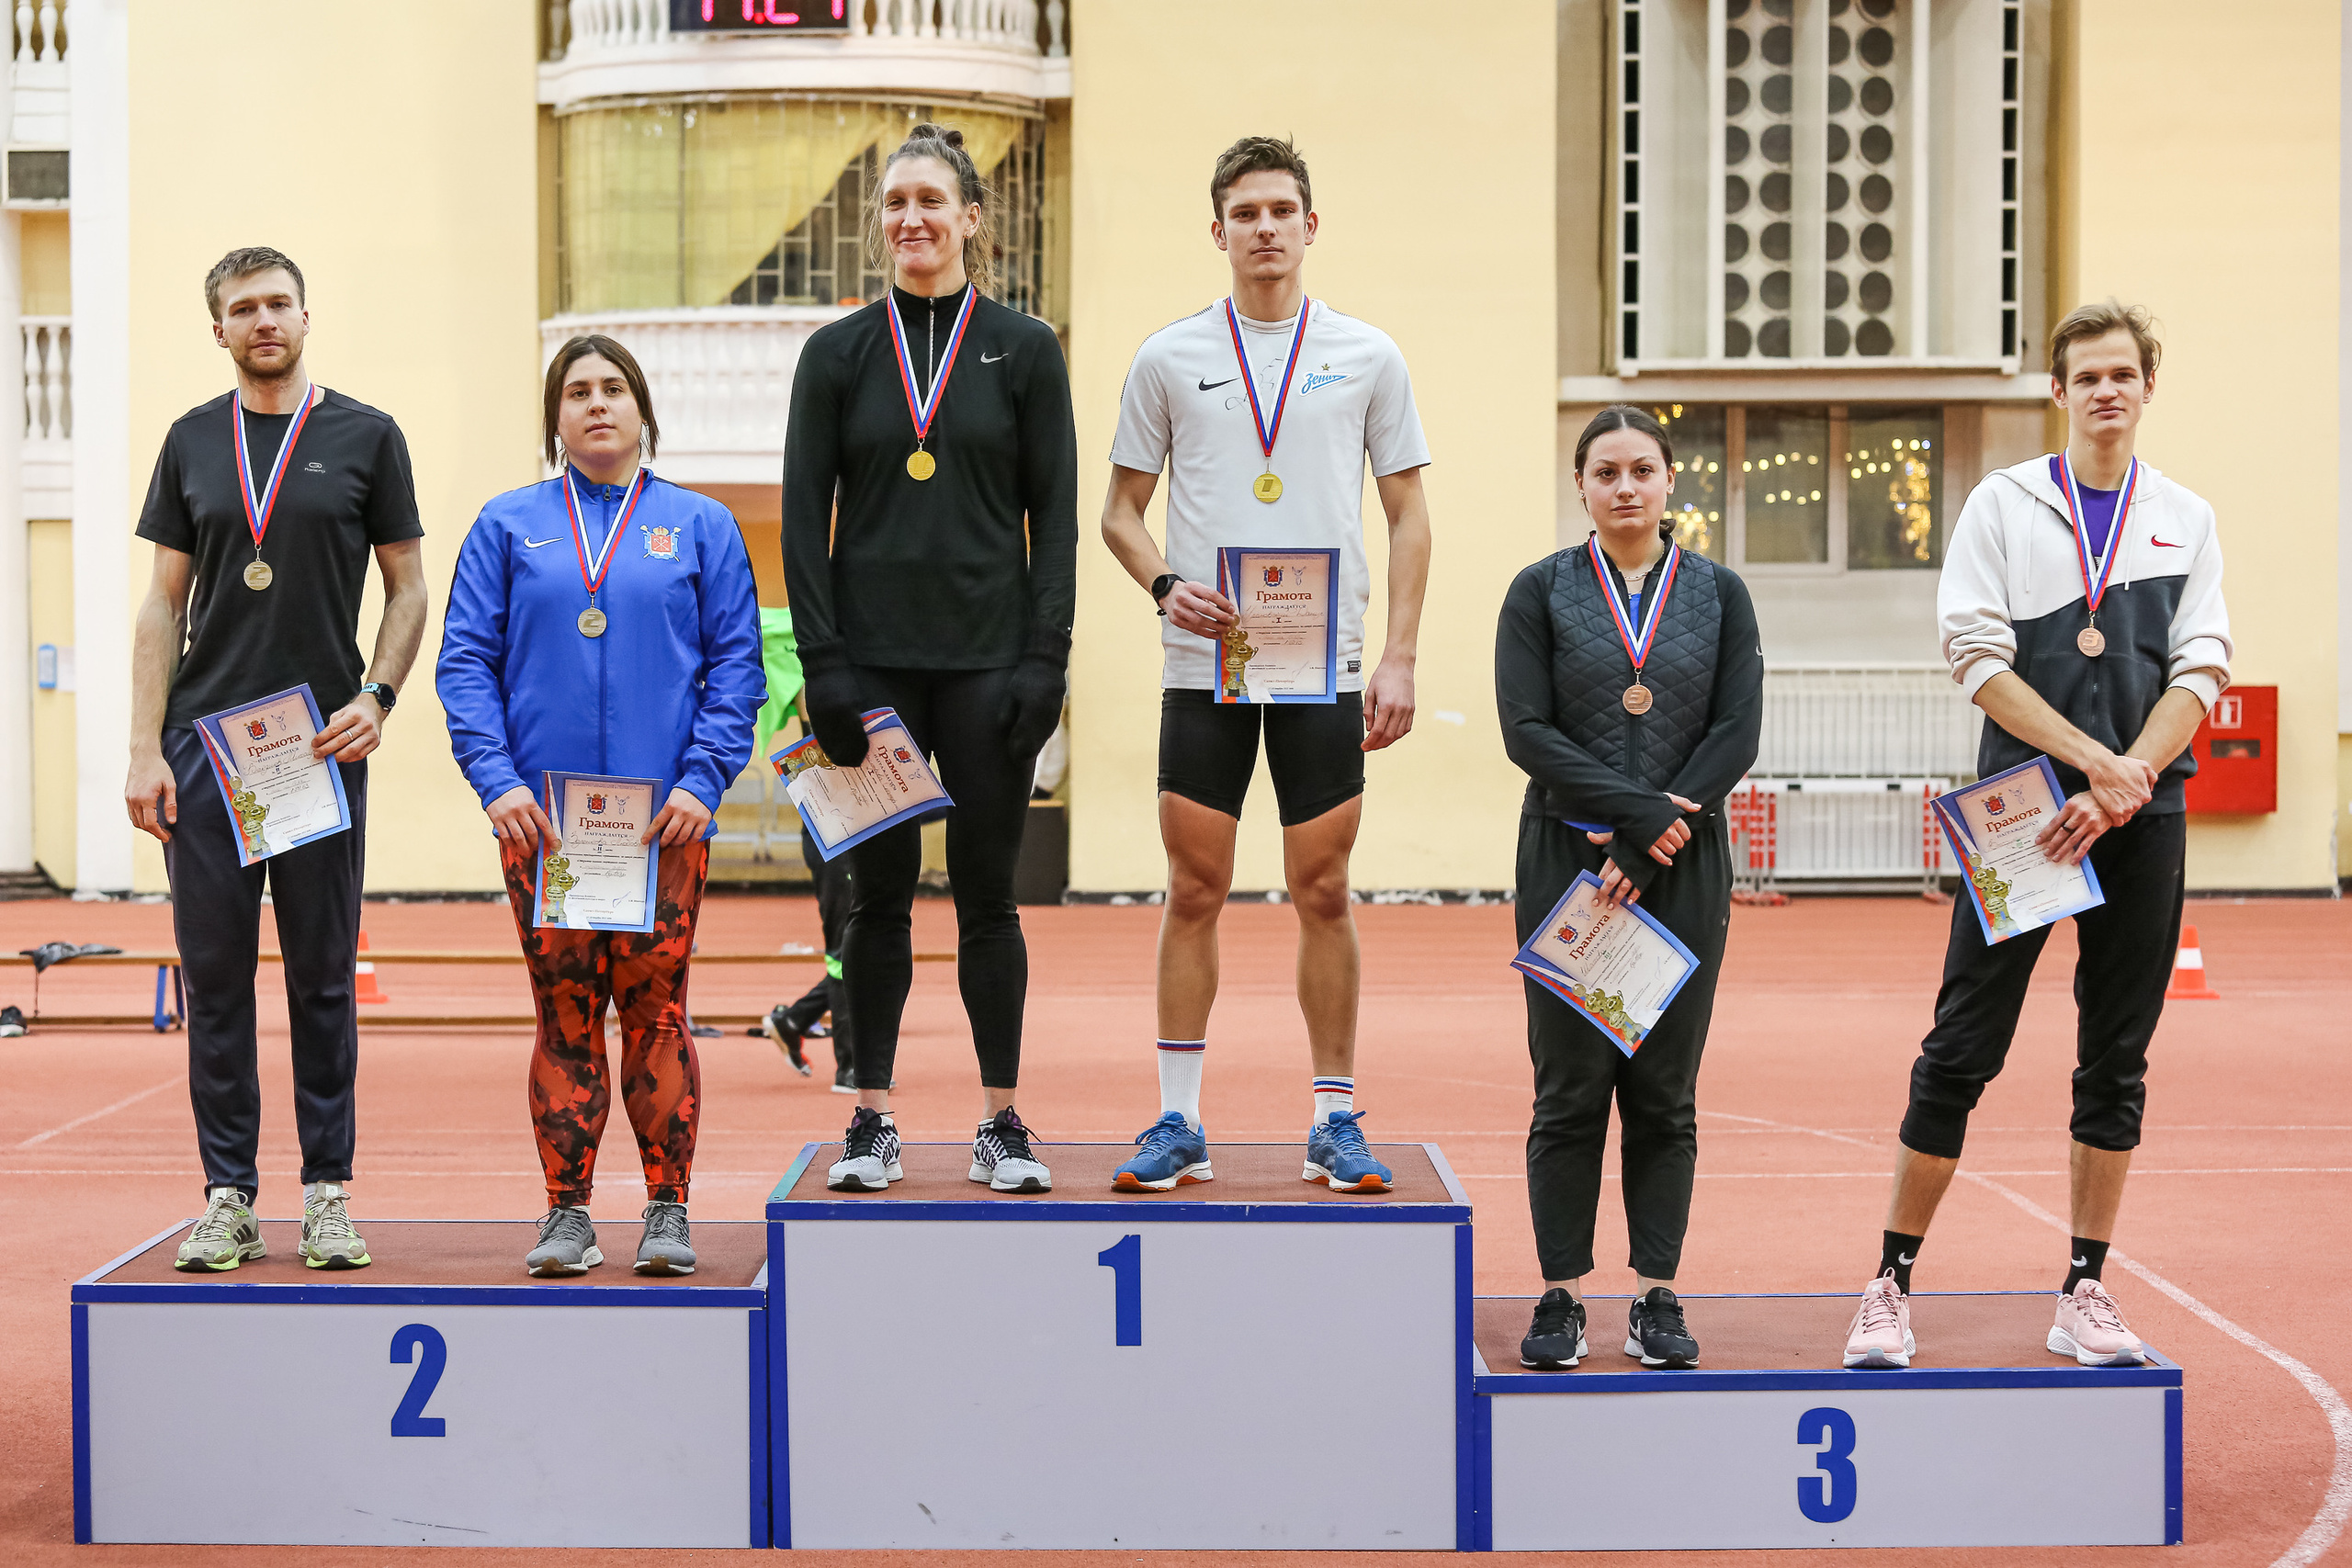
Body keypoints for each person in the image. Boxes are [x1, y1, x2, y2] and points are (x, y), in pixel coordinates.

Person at [1843, 301, 2230, 1370]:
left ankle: (2082, 1292)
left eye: (2122, 374)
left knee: (2115, 1059)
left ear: (2146, 388)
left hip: (2138, 818)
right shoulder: (2004, 505)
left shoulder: (2184, 516)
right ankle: (1889, 1284)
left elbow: (2201, 666)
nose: (2106, 391)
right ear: (2057, 391)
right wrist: (2095, 764)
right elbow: (1975, 658)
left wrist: (2121, 784)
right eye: (2086, 376)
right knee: (1960, 1048)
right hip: (2021, 815)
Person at [1101, 135, 1432, 1196]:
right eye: (1244, 213)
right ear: (1218, 230)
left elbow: (1409, 514)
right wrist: (1165, 587)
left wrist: (1398, 657)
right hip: (1206, 663)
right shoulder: (1168, 357)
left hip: (1322, 665)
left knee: (1322, 888)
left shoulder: (1368, 355)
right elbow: (1118, 514)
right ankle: (1178, 1120)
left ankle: (1334, 1120)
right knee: (1194, 884)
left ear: (1310, 224)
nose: (1264, 228)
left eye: (1281, 209)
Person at [782, 123, 1077, 1194]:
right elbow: (801, 522)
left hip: (991, 668)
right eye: (895, 203)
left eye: (931, 201)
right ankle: (872, 1120)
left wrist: (1046, 660)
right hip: (874, 676)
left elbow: (1056, 516)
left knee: (989, 901)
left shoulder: (1025, 349)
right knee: (878, 902)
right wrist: (825, 668)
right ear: (881, 224)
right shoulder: (835, 355)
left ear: (970, 219)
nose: (912, 218)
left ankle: (1002, 1123)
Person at [125, 246, 429, 1272]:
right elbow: (163, 604)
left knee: (322, 981)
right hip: (206, 750)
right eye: (243, 307)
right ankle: (229, 1197)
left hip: (317, 746)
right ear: (217, 328)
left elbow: (408, 588)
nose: (264, 320)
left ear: (306, 316)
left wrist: (378, 696)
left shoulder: (367, 436)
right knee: (214, 984)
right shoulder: (190, 441)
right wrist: (143, 747)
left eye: (279, 304)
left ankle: (328, 1194)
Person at [438, 334, 764, 1276]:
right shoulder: (507, 525)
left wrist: (703, 779)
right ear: (556, 417)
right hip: (544, 825)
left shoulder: (700, 525)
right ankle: (567, 1214)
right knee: (564, 1017)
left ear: (641, 408)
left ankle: (668, 1210)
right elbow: (466, 661)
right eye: (576, 391)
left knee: (658, 1014)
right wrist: (497, 779)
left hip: (665, 825)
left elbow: (736, 664)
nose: (595, 404)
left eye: (612, 388)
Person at [1496, 404, 1762, 1370]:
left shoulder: (1720, 594)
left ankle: (1655, 1293)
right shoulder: (1539, 591)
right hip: (1569, 861)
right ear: (1580, 485)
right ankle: (1561, 1294)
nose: (1624, 487)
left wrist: (1653, 836)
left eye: (1641, 470)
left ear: (1668, 480)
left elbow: (1736, 731)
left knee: (1664, 1092)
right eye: (1604, 472)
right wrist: (1639, 816)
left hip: (1682, 866)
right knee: (1568, 1090)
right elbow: (1526, 730)